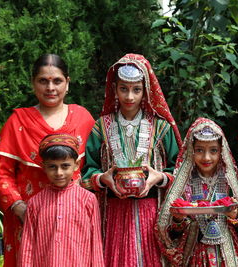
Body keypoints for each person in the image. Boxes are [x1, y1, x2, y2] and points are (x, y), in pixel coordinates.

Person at [0, 54, 95, 266]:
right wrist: (18, 206)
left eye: (57, 81)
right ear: (33, 83)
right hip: (28, 218)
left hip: (72, 217)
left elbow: (96, 164)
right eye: (43, 81)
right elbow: (3, 173)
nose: (50, 87)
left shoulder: (83, 118)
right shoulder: (17, 122)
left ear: (67, 83)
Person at [81, 53, 181, 267]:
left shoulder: (162, 127)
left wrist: (158, 178)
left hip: (152, 214)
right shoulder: (101, 127)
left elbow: (181, 171)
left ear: (146, 91)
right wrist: (104, 179)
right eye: (123, 89)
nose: (129, 96)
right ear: (114, 89)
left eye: (136, 89)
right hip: (114, 215)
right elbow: (86, 173)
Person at [156, 118, 238, 266]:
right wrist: (178, 219)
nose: (206, 157)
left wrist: (235, 216)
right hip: (194, 256)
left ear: (221, 151)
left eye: (213, 150)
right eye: (199, 150)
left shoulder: (230, 182)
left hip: (226, 257)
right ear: (191, 150)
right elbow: (166, 235)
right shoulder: (184, 184)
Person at [18, 133, 104, 267]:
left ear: (76, 165)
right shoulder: (35, 203)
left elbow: (96, 243)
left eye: (65, 166)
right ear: (43, 166)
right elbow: (28, 245)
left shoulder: (88, 199)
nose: (59, 173)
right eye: (52, 166)